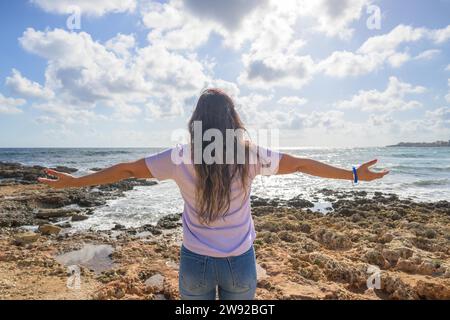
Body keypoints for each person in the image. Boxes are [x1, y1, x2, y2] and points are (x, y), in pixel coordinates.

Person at [39, 88, 389, 300]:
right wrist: (354, 175)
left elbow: (128, 169)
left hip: (195, 263)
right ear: (232, 118)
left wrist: (75, 181)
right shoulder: (249, 153)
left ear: (196, 120)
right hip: (240, 262)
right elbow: (299, 165)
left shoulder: (180, 155)